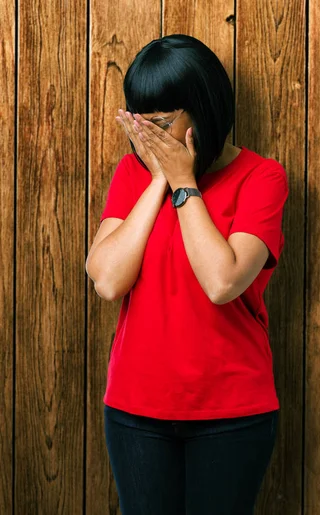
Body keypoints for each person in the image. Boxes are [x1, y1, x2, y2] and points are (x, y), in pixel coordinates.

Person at [85, 34, 289, 515]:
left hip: (232, 411)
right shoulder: (132, 175)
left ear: (203, 109)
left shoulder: (263, 178)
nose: (150, 138)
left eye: (163, 124)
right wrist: (159, 177)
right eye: (142, 124)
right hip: (135, 410)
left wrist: (183, 181)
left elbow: (223, 281)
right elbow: (108, 279)